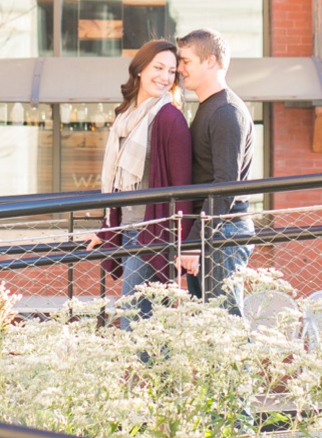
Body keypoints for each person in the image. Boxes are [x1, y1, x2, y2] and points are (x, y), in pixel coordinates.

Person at [90, 40, 193, 320]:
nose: (164, 77)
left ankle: (152, 365)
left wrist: (183, 243)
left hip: (152, 236)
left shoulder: (169, 118)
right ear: (139, 69)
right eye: (158, 68)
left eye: (171, 71)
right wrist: (106, 228)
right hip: (127, 231)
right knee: (143, 324)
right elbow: (117, 184)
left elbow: (183, 187)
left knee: (134, 321)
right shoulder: (126, 116)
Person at [177, 27, 256, 310]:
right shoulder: (211, 108)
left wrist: (193, 243)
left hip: (224, 233)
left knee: (225, 329)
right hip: (215, 233)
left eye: (186, 61)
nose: (179, 68)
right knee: (210, 331)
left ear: (210, 60)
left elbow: (225, 187)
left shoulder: (225, 112)